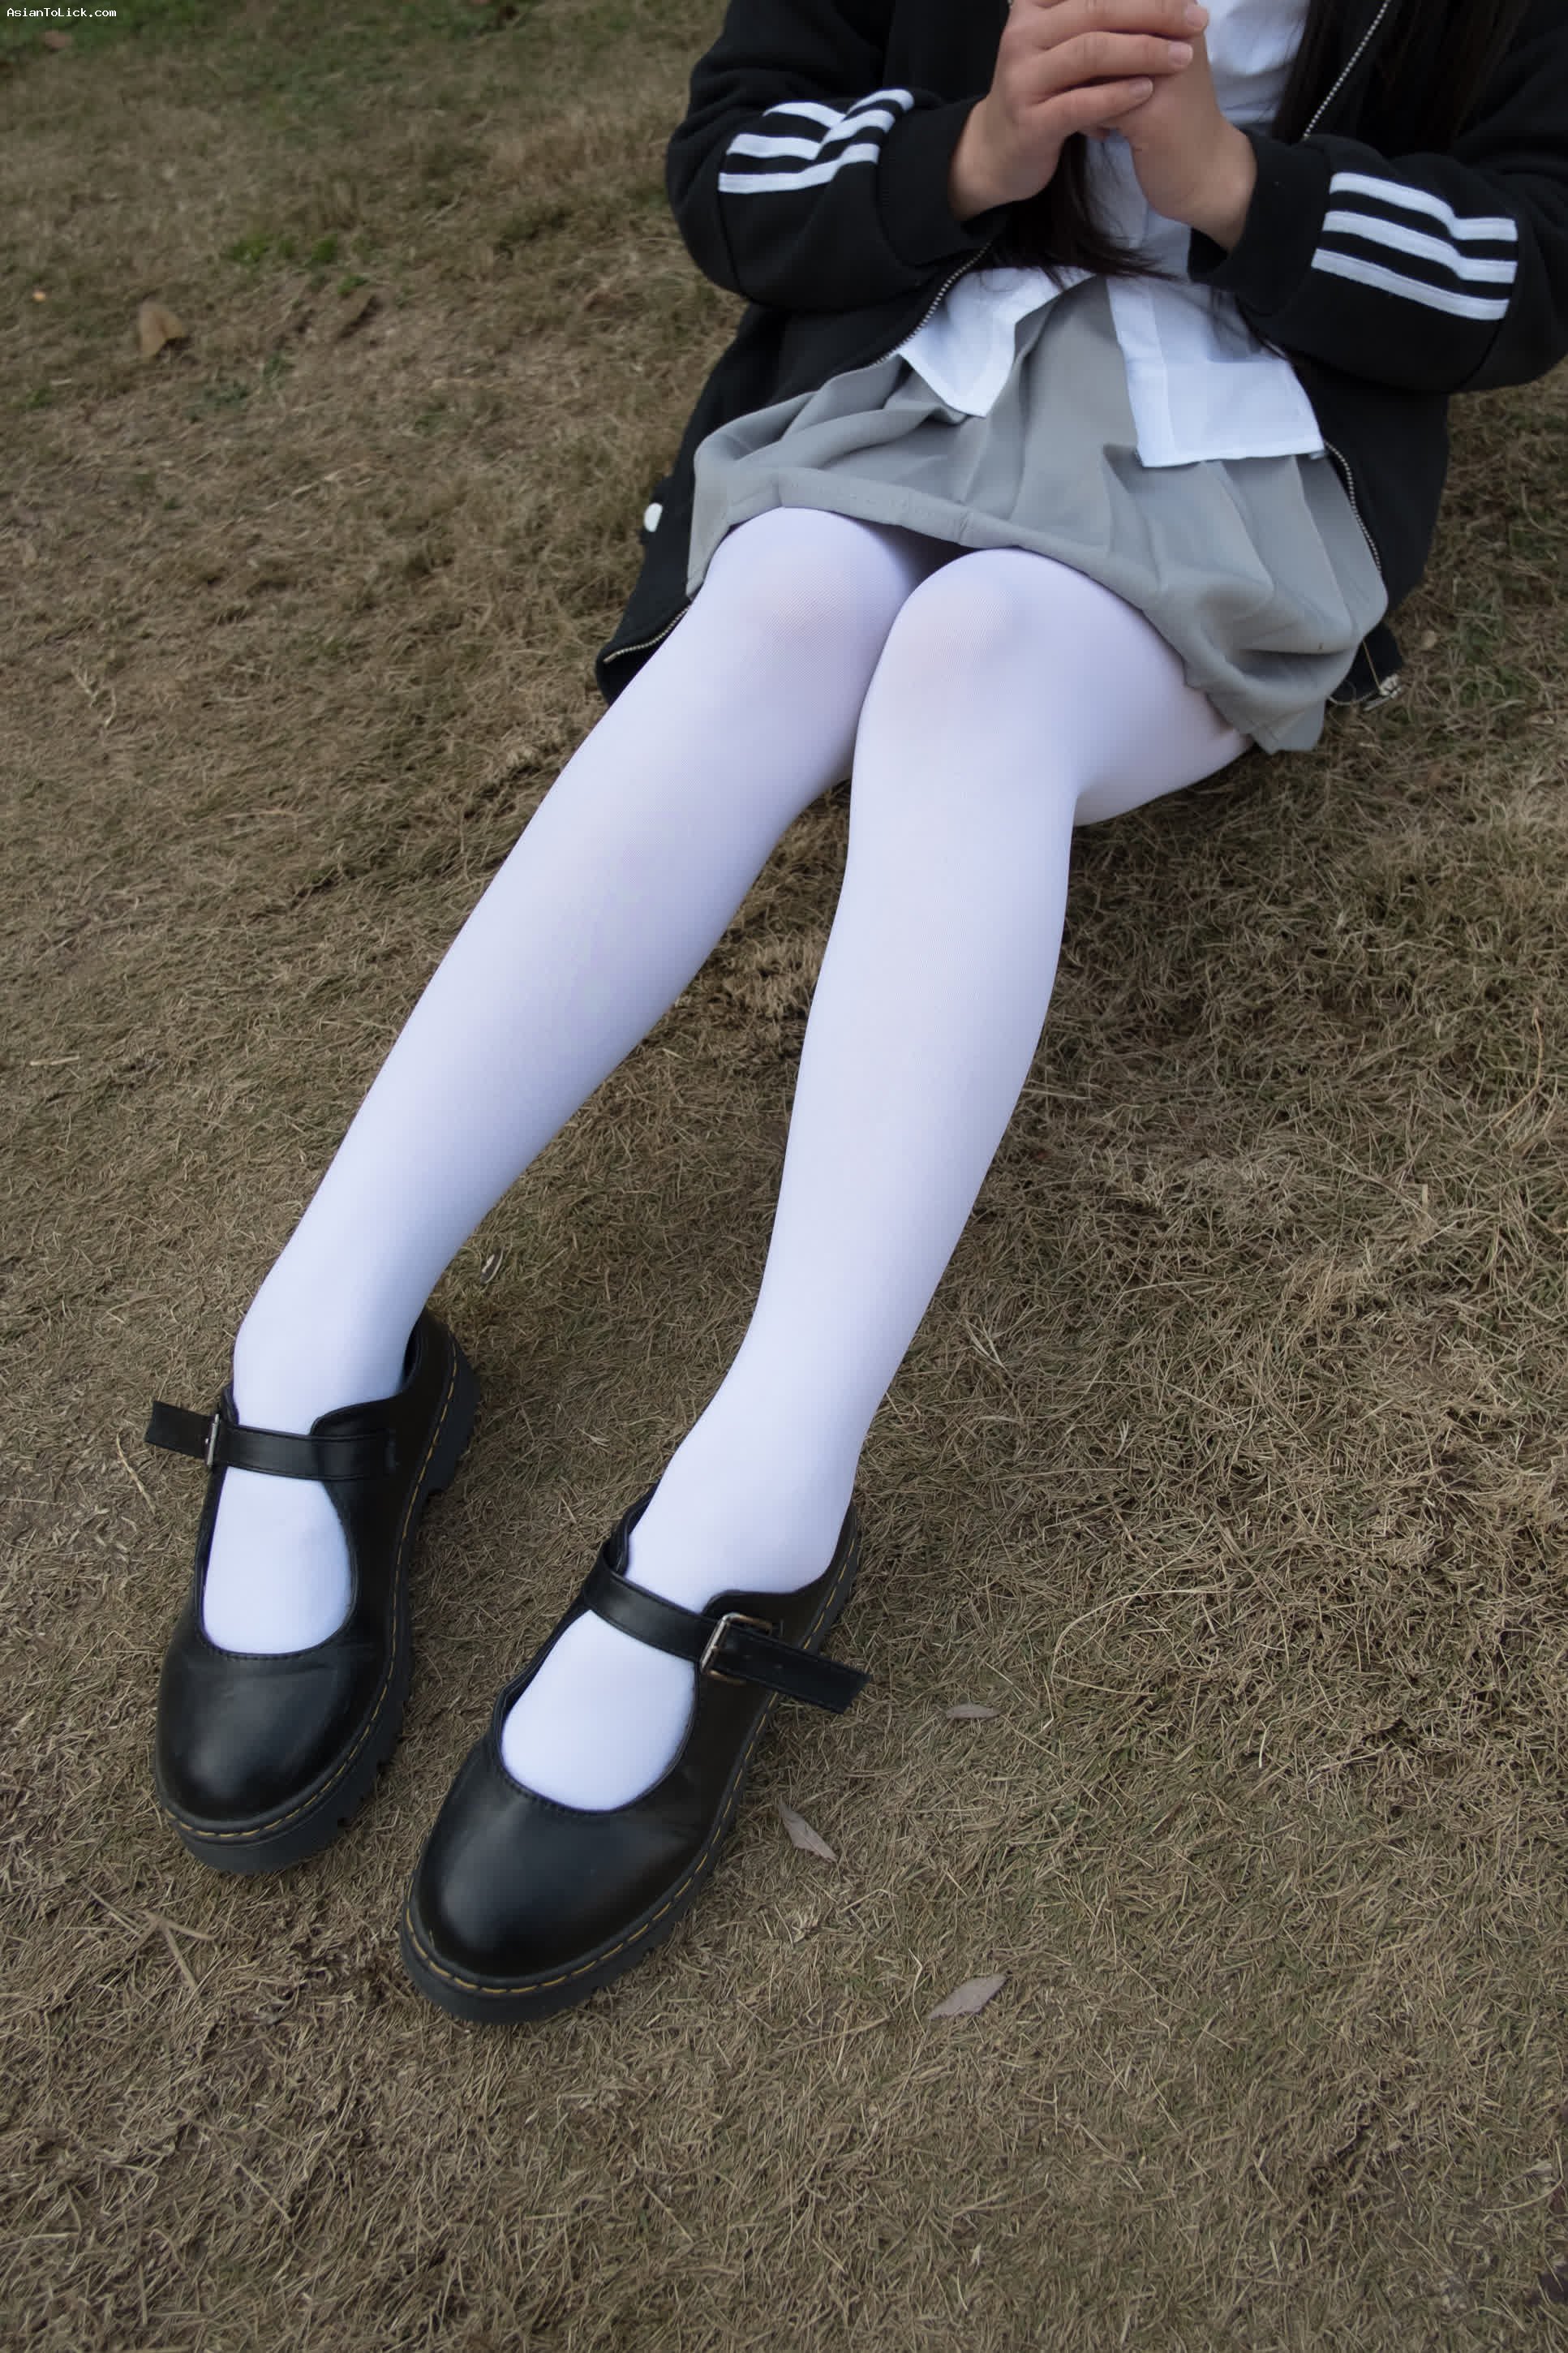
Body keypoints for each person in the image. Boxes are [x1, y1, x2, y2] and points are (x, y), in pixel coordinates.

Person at [145, 0, 1568, 2022]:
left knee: (976, 658)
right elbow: (731, 163)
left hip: (1246, 433)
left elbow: (1532, 258)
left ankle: (759, 1492)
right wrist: (978, 144)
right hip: (911, 372)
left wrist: (1237, 185)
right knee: (784, 611)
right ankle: (323, 1334)